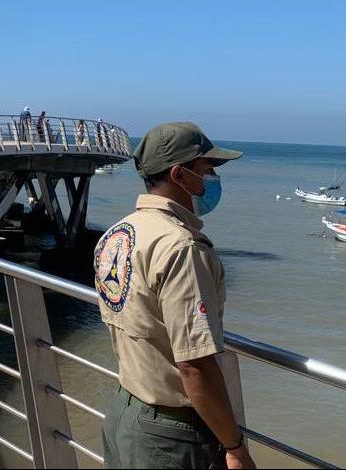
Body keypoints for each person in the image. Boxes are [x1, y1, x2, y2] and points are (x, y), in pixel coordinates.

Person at [95, 122, 254, 469]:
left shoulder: (118, 233)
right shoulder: (181, 247)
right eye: (207, 170)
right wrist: (235, 448)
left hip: (125, 410)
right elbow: (194, 364)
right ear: (180, 175)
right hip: (170, 435)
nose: (213, 179)